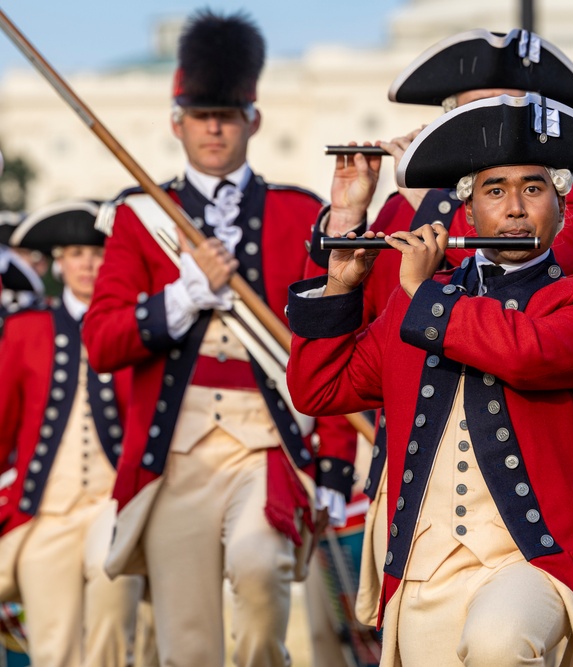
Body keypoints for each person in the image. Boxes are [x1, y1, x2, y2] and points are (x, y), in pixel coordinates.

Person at [287, 92, 573, 666]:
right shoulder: (414, 303)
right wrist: (342, 277)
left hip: (531, 556)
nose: (516, 207)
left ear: (562, 209)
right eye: (495, 190)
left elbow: (529, 354)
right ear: (466, 212)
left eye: (534, 188)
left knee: (499, 646)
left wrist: (423, 291)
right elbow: (320, 389)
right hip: (424, 563)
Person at [81, 11, 350, 665]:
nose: (213, 127)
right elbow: (104, 340)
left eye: (227, 113)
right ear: (176, 120)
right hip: (173, 454)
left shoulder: (297, 212)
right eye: (200, 113)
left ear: (252, 119)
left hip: (267, 446)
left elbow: (329, 343)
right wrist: (182, 298)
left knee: (261, 574)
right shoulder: (139, 219)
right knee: (189, 642)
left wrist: (336, 461)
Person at [0, 201, 143, 666]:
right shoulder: (24, 330)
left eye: (98, 253)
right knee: (52, 648)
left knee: (110, 644)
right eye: (77, 252)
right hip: (45, 513)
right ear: (58, 261)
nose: (87, 264)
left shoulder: (135, 331)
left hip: (114, 506)